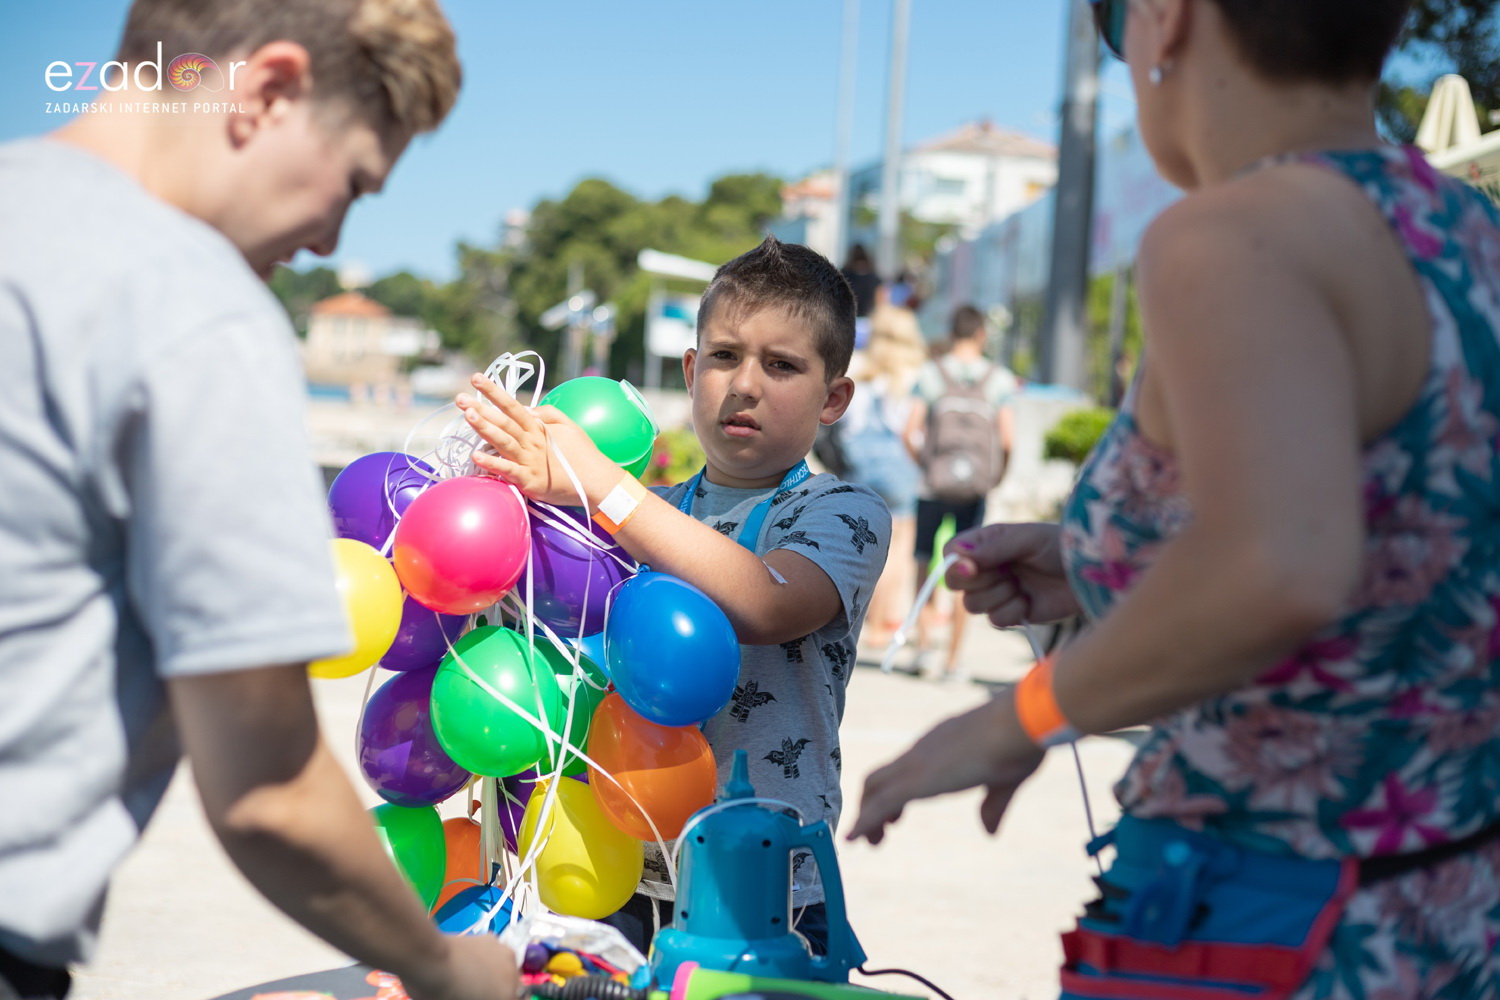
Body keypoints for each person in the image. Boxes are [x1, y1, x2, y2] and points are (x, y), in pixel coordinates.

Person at [851, 0, 1500, 996]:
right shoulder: (1468, 231)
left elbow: (1278, 566)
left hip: (1268, 917)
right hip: (1453, 910)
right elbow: (1406, 531)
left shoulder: (1232, 233)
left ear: (1165, 18)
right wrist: (1098, 560)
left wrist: (1015, 718)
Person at [0, 3, 518, 999]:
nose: (328, 242)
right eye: (355, 183)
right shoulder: (191, 308)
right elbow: (270, 791)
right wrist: (446, 967)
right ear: (268, 92)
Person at [457, 236, 891, 953]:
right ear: (691, 372)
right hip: (619, 869)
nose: (745, 384)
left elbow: (768, 604)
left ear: (834, 398)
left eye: (782, 365)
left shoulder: (840, 511)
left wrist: (602, 488)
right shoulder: (640, 509)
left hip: (767, 886)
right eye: (723, 356)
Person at [902, 304, 1016, 681]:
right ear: (982, 334)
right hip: (975, 489)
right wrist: (995, 477)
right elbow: (1008, 439)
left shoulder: (932, 374)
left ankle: (922, 648)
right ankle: (953, 660)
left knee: (923, 560)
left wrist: (927, 464)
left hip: (933, 484)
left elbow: (910, 431)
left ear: (952, 332)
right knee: (968, 566)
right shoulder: (998, 380)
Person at [842, 305, 927, 653]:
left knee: (864, 545)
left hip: (861, 465)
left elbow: (847, 426)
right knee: (900, 550)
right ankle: (882, 625)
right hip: (901, 466)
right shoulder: (916, 374)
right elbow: (916, 431)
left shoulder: (863, 370)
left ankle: (862, 623)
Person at [840, 243, 882, 350]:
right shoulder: (874, 277)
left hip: (846, 322)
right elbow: (880, 300)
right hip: (868, 322)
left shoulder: (843, 274)